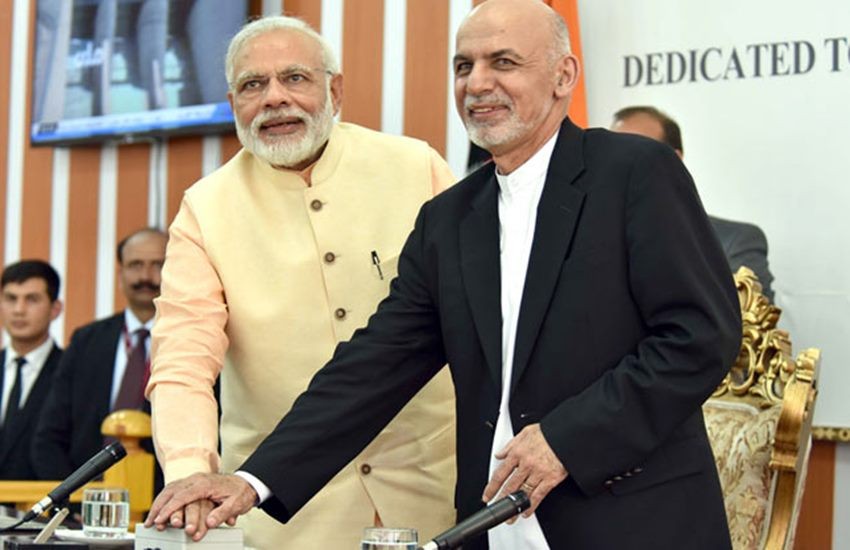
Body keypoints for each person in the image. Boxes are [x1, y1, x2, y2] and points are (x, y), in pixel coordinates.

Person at [147, 2, 741, 549]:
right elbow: (377, 363)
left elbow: (700, 337)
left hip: (629, 521)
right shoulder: (452, 216)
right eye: (464, 66)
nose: (477, 83)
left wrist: (568, 439)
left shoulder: (634, 171)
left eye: (503, 62)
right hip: (488, 527)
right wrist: (251, 481)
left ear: (563, 76)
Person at [144, 15, 456, 550]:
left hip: (435, 493)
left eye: (294, 78)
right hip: (284, 514)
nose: (274, 99)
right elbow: (183, 359)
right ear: (233, 103)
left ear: (335, 91)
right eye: (253, 85)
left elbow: (478, 313)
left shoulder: (415, 166)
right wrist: (190, 468)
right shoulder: (205, 208)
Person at [32, 228, 167, 481]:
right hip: (84, 496)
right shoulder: (86, 340)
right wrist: (74, 494)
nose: (145, 276)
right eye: (135, 265)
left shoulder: (195, 340)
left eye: (158, 265)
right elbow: (50, 436)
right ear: (120, 275)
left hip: (166, 498)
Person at [611, 105, 775, 299]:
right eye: (612, 156)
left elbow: (747, 315)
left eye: (635, 155)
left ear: (673, 160)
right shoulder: (594, 240)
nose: (620, 167)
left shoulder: (734, 243)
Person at [0, 260, 62, 480]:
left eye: (32, 299)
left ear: (55, 309)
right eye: (11, 299)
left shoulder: (71, 371)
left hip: (45, 496)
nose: (19, 310)